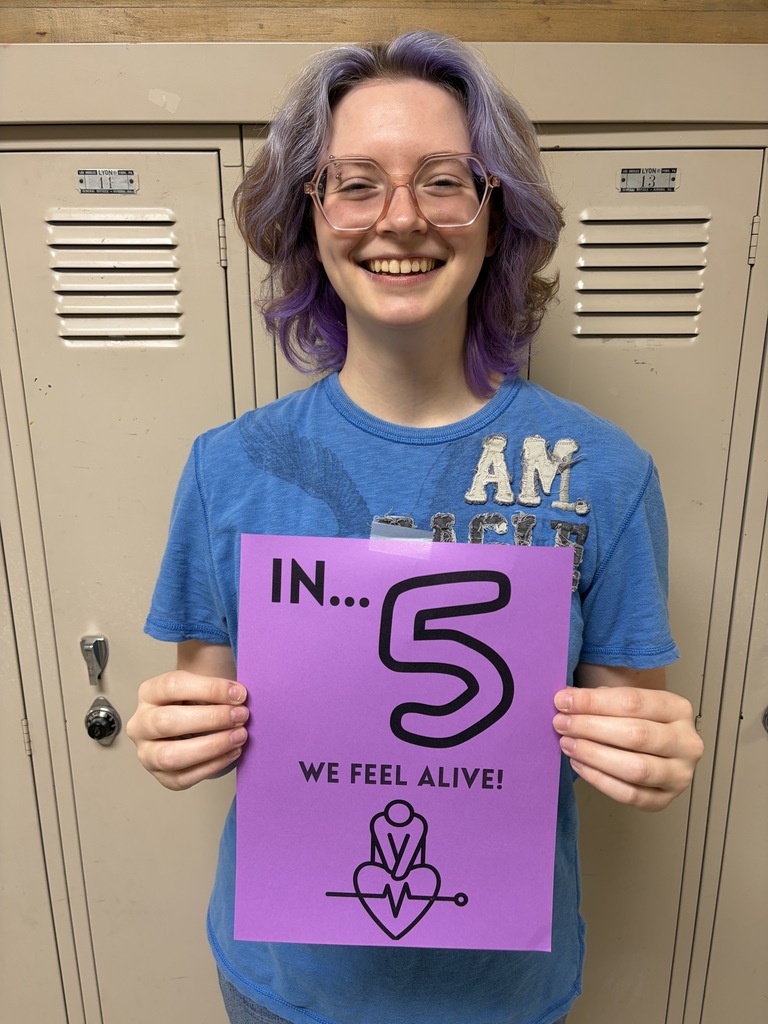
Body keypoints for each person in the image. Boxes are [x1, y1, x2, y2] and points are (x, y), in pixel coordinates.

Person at [127, 31, 704, 1024]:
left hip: (499, 997)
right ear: (309, 216)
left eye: (445, 180)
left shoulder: (603, 472)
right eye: (356, 183)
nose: (401, 217)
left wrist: (648, 750)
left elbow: (624, 719)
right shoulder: (229, 467)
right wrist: (180, 731)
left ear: (495, 215)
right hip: (283, 988)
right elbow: (210, 698)